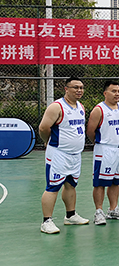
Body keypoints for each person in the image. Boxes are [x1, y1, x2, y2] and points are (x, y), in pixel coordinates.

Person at [38, 77, 90, 234]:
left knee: (70, 184)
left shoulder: (80, 107)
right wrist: (48, 141)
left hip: (75, 155)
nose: (79, 90)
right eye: (75, 87)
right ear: (66, 89)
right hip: (59, 154)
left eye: (81, 87)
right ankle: (46, 221)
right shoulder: (57, 107)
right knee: (52, 186)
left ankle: (70, 215)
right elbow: (43, 128)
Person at [86, 80, 119, 224]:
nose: (117, 94)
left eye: (118, 91)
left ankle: (113, 209)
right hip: (104, 149)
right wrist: (99, 143)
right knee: (100, 182)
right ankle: (99, 212)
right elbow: (90, 131)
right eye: (113, 91)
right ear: (105, 93)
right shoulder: (99, 109)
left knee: (115, 181)